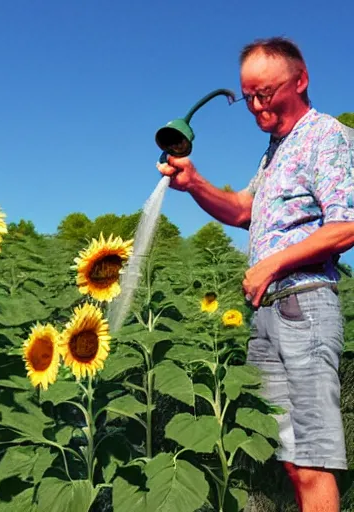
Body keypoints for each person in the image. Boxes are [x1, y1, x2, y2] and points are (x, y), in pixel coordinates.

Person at [157, 37, 354, 512]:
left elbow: (346, 225)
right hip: (269, 314)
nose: (255, 105)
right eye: (248, 97)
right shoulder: (275, 152)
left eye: (264, 93)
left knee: (312, 460)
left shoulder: (324, 137)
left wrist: (271, 263)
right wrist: (195, 184)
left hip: (304, 307)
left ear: (301, 80)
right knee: (288, 457)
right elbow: (246, 210)